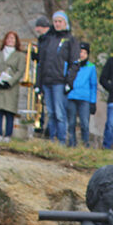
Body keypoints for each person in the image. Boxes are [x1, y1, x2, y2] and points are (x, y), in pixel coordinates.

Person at [35, 11, 80, 143]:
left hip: (60, 81)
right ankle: (52, 139)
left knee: (60, 113)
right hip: (47, 80)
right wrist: (38, 83)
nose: (57, 24)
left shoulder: (70, 40)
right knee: (51, 112)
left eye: (60, 21)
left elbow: (74, 63)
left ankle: (61, 140)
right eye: (55, 21)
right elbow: (41, 63)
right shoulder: (49, 39)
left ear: (65, 23)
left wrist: (69, 81)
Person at [0, 31, 25, 143]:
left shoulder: (20, 55)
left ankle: (8, 135)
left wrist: (10, 82)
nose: (10, 40)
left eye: (13, 39)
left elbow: (20, 71)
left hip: (11, 88)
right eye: (8, 38)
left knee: (9, 111)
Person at [66, 42, 98, 147]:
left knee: (84, 123)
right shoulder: (71, 65)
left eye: (84, 52)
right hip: (72, 96)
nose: (82, 54)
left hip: (85, 98)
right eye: (80, 52)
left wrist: (93, 101)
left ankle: (85, 144)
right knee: (71, 122)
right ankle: (72, 143)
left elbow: (93, 85)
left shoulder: (91, 67)